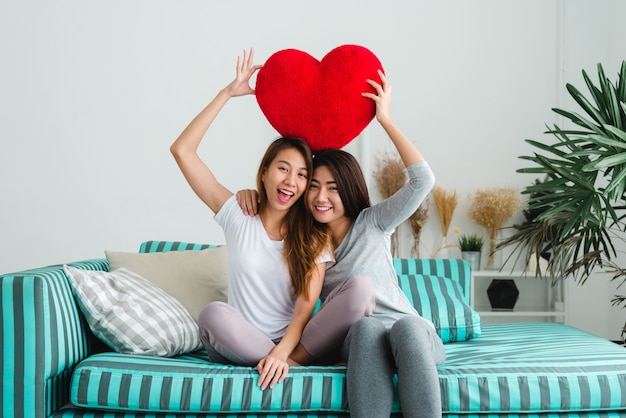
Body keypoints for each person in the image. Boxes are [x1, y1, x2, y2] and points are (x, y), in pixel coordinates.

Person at [238, 70, 445, 417]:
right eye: (314, 186)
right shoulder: (304, 239)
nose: (321, 197)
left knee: (408, 327)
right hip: (359, 342)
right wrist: (251, 195)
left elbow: (423, 180)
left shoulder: (373, 222)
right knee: (366, 327)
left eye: (332, 187)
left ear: (347, 189)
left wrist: (386, 121)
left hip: (412, 337)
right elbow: (273, 205)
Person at [170, 48, 374, 391]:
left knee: (361, 290)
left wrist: (283, 354)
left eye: (301, 175)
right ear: (264, 172)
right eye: (283, 169)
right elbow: (182, 151)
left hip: (297, 344)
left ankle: (288, 367)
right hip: (242, 339)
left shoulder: (313, 234)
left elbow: (303, 311)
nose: (290, 182)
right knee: (212, 315)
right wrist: (226, 94)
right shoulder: (237, 212)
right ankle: (290, 367)